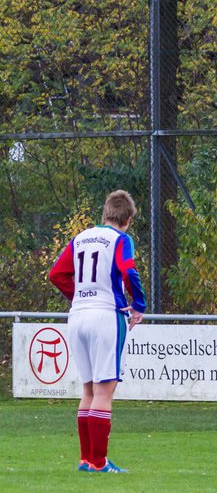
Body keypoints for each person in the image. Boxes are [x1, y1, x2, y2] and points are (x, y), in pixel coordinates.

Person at [47, 190, 147, 473]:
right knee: (105, 389)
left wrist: (78, 295)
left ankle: (86, 460)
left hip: (77, 316)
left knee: (89, 389)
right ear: (128, 219)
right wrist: (138, 304)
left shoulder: (80, 238)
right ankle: (99, 462)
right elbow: (129, 269)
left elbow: (56, 274)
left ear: (105, 214)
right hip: (105, 315)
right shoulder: (121, 239)